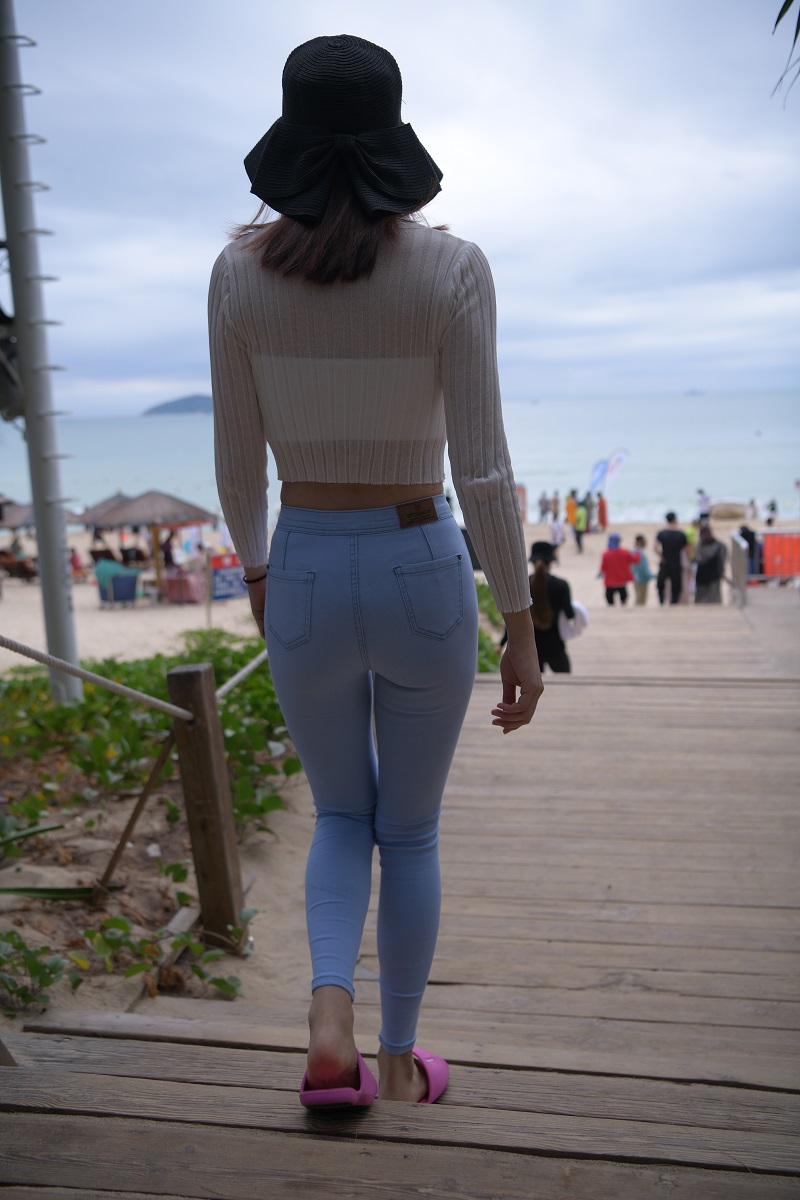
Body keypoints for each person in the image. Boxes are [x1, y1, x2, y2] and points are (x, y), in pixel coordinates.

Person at [209, 35, 542, 1111]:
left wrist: (260, 574)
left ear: (290, 137)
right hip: (416, 562)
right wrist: (520, 620)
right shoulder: (452, 269)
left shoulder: (237, 275)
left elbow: (236, 461)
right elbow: (480, 467)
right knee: (410, 829)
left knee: (339, 816)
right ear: (393, 137)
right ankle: (396, 1061)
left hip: (305, 561)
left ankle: (326, 1017)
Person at [527, 541, 574, 673]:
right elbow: (570, 614)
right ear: (551, 562)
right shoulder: (561, 585)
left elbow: (515, 617)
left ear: (532, 562)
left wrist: (501, 644)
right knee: (565, 677)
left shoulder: (524, 585)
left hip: (532, 646)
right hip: (555, 645)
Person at [598, 532, 640, 606]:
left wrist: (600, 574)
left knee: (610, 602)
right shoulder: (625, 552)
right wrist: (637, 550)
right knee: (623, 600)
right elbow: (635, 560)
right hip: (621, 581)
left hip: (610, 582)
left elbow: (603, 568)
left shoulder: (606, 554)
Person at [655, 512, 688, 604]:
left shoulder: (662, 533)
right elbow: (686, 549)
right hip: (676, 563)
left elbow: (655, 547)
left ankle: (661, 601)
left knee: (660, 584)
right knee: (676, 586)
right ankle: (673, 603)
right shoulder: (681, 534)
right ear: (675, 519)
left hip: (665, 562)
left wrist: (661, 556)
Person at [694, 526, 727, 603]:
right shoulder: (719, 545)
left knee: (700, 598)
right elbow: (721, 560)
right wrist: (721, 571)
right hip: (714, 574)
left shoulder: (700, 544)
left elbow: (696, 559)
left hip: (701, 574)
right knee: (714, 598)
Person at [630, 534, 654, 605]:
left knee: (639, 598)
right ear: (640, 542)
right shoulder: (639, 552)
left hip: (636, 577)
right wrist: (651, 576)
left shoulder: (634, 551)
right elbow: (642, 567)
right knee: (641, 600)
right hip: (641, 578)